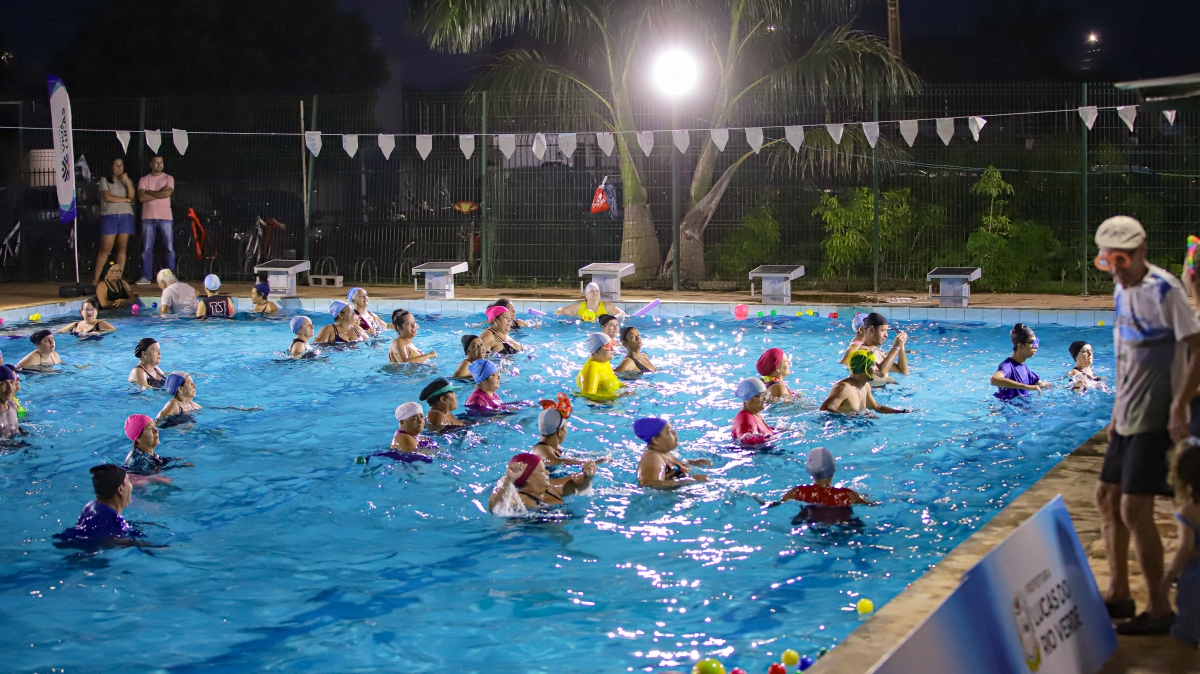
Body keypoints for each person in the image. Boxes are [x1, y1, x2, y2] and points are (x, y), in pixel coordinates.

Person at [1093, 216, 1200, 635]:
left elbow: (1197, 347)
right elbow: (1126, 356)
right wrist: (1115, 414)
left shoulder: (1165, 289)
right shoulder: (1122, 288)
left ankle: (1158, 607)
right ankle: (1119, 592)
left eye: (1122, 260)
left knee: (1134, 508)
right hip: (1128, 413)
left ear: (1141, 252)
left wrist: (1180, 404)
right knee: (1106, 497)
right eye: (1108, 261)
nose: (1116, 270)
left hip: (1156, 415)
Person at [52, 465, 143, 548]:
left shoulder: (91, 506)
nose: (131, 485)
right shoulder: (112, 518)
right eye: (129, 481)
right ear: (120, 489)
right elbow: (108, 540)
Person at [1165, 438, 1200, 647]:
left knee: (1189, 623)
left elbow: (1185, 548)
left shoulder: (1188, 511)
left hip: (1195, 577)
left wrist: (1169, 576)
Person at [488, 453, 596, 513]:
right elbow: (495, 507)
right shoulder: (522, 499)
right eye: (542, 471)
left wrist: (588, 477)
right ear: (529, 478)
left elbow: (577, 484)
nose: (547, 472)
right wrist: (509, 481)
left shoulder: (550, 488)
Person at [820, 351, 910, 415]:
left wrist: (900, 412)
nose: (877, 369)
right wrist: (852, 416)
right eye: (873, 365)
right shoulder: (844, 388)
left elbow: (877, 407)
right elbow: (825, 409)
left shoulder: (866, 386)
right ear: (864, 367)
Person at [93, 158, 137, 286]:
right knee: (105, 248)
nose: (119, 167)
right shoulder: (104, 180)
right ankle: (95, 279)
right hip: (109, 216)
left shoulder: (126, 181)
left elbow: (132, 196)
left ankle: (118, 278)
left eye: (121, 165)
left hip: (126, 216)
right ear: (111, 167)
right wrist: (124, 200)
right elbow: (107, 197)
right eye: (116, 164)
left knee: (122, 247)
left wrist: (127, 180)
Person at [779, 447, 871, 507]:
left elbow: (778, 503)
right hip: (843, 524)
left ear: (809, 470)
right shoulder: (848, 495)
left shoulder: (798, 492)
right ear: (833, 469)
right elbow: (872, 505)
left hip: (811, 522)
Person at [635, 418, 710, 489]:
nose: (674, 433)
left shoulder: (663, 453)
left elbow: (672, 465)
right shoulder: (653, 457)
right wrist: (691, 480)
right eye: (669, 431)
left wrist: (692, 462)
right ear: (656, 440)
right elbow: (649, 484)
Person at [135, 156, 176, 284]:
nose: (159, 164)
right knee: (147, 249)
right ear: (151, 164)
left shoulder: (169, 178)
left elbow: (167, 194)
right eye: (156, 162)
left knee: (169, 248)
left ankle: (171, 277)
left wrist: (149, 192)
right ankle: (146, 277)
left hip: (166, 217)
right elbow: (142, 197)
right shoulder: (144, 179)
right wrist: (159, 193)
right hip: (148, 217)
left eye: (161, 162)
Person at [839, 312, 908, 384]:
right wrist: (896, 347)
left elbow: (903, 372)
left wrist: (901, 346)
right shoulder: (862, 352)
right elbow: (881, 373)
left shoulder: (877, 351)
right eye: (883, 330)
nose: (886, 335)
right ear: (871, 329)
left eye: (886, 331)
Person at [990, 324, 1052, 399]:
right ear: (1020, 346)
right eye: (1032, 342)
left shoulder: (1024, 368)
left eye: (1036, 342)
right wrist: (1026, 386)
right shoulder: (1008, 366)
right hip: (1009, 405)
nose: (1036, 346)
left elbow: (1041, 384)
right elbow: (994, 380)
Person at [123, 413, 191, 475]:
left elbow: (158, 460)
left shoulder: (144, 453)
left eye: (154, 426)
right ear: (138, 438)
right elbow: (150, 479)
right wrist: (177, 467)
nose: (156, 430)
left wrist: (176, 461)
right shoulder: (140, 462)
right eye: (149, 429)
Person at [577, 332, 625, 401]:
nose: (612, 349)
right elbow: (588, 395)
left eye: (612, 345)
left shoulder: (604, 361)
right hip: (599, 405)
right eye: (608, 346)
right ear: (596, 351)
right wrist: (618, 396)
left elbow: (609, 380)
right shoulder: (592, 368)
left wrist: (626, 386)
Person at [732, 378, 775, 444]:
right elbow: (747, 442)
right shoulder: (746, 419)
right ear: (748, 398)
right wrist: (774, 438)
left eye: (766, 395)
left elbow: (762, 431)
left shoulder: (754, 413)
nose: (765, 399)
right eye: (761, 396)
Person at [554, 282, 625, 321]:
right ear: (586, 296)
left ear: (600, 295)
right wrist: (577, 319)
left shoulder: (606, 306)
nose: (595, 293)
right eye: (592, 291)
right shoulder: (579, 307)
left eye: (597, 291)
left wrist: (610, 319)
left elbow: (622, 314)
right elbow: (558, 311)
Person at [0, 366, 23, 439]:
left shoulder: (13, 405)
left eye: (12, 382)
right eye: (3, 383)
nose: (10, 388)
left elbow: (16, 428)